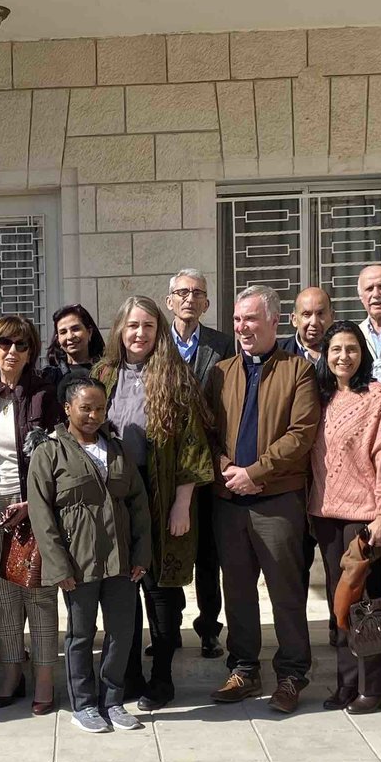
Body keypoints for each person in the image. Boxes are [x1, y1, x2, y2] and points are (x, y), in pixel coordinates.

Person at [204, 285, 321, 712]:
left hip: (277, 500)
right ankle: (244, 670)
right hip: (228, 498)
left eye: (250, 319)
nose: (242, 327)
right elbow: (207, 430)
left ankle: (291, 675)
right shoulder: (220, 371)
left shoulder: (299, 371)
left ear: (274, 320)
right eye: (237, 320)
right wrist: (226, 469)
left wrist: (255, 473)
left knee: (285, 591)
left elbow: (302, 434)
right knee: (236, 590)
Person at [97, 295, 212, 713]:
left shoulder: (176, 376)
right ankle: (128, 676)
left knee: (161, 590)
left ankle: (161, 679)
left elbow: (193, 446)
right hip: (116, 498)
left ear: (158, 330)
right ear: (120, 331)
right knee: (121, 589)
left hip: (162, 493)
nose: (140, 334)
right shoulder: (104, 374)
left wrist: (183, 504)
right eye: (132, 326)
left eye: (147, 326)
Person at [29, 374, 153, 734]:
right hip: (77, 563)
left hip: (120, 560)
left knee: (121, 632)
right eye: (85, 408)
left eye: (100, 408)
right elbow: (42, 515)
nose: (93, 415)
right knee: (81, 635)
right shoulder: (49, 452)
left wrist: (141, 554)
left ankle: (112, 701)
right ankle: (83, 704)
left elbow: (139, 505)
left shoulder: (116, 449)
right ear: (67, 408)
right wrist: (58, 565)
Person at [0, 315, 62, 714]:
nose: (12, 352)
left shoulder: (44, 394)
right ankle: (11, 672)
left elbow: (57, 459)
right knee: (3, 597)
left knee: (37, 594)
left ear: (31, 352)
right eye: (4, 345)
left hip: (30, 505)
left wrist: (35, 505)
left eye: (21, 345)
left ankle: (43, 679)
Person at [307, 321, 381, 716]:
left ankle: (375, 688)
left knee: (367, 604)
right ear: (325, 355)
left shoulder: (376, 396)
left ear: (362, 353)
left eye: (351, 348)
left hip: (363, 516)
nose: (343, 356)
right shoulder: (319, 396)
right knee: (340, 604)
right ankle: (347, 683)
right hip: (324, 513)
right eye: (335, 350)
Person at [167, 267, 234, 660]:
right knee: (172, 547)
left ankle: (210, 627)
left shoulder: (223, 345)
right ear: (170, 299)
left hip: (208, 465)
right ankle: (170, 627)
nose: (190, 299)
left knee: (209, 553)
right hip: (168, 463)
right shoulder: (158, 343)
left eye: (197, 293)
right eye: (183, 292)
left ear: (207, 303)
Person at [47, 303, 105, 379]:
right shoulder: (51, 376)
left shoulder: (106, 372)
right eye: (63, 332)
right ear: (58, 339)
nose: (70, 336)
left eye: (75, 329)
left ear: (89, 332)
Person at [284, 285, 336, 363]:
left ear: (332, 316)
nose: (314, 322)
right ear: (294, 319)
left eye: (320, 313)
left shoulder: (343, 355)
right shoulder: (278, 355)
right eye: (306, 314)